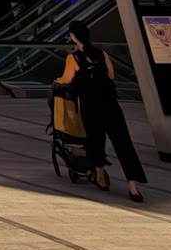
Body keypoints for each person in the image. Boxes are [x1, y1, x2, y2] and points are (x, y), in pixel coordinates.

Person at [55, 20, 143, 202]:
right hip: (110, 105)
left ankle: (100, 176)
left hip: (91, 106)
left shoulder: (73, 58)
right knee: (124, 144)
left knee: (95, 140)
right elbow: (111, 74)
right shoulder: (102, 54)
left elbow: (66, 79)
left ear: (73, 36)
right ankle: (133, 186)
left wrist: (60, 81)